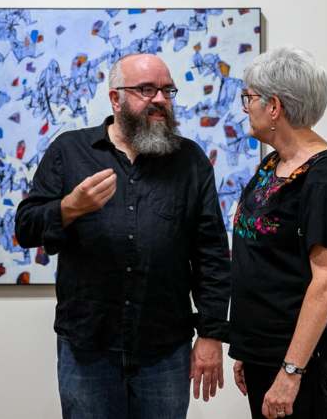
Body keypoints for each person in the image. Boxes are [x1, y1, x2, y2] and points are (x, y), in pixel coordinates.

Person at [15, 53, 231, 419]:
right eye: (146, 89)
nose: (160, 99)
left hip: (165, 349)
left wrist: (210, 334)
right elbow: (25, 227)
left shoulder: (189, 160)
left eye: (167, 90)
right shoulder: (69, 152)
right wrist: (69, 207)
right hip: (87, 348)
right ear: (115, 98)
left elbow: (211, 254)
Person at [229, 47, 327, 419]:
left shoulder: (326, 178)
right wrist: (248, 350)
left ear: (274, 107)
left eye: (249, 98)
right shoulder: (274, 164)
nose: (244, 107)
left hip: (300, 363)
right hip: (264, 355)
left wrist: (290, 371)